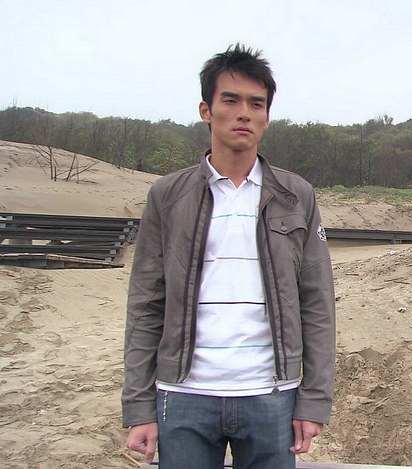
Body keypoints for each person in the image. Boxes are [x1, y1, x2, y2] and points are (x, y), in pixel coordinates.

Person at [122, 43, 336, 469]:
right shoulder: (167, 196)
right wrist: (139, 407)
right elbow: (146, 304)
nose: (244, 114)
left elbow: (317, 303)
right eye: (231, 101)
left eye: (257, 104)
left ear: (267, 116)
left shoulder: (296, 195)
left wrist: (314, 399)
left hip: (272, 396)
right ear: (206, 110)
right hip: (184, 396)